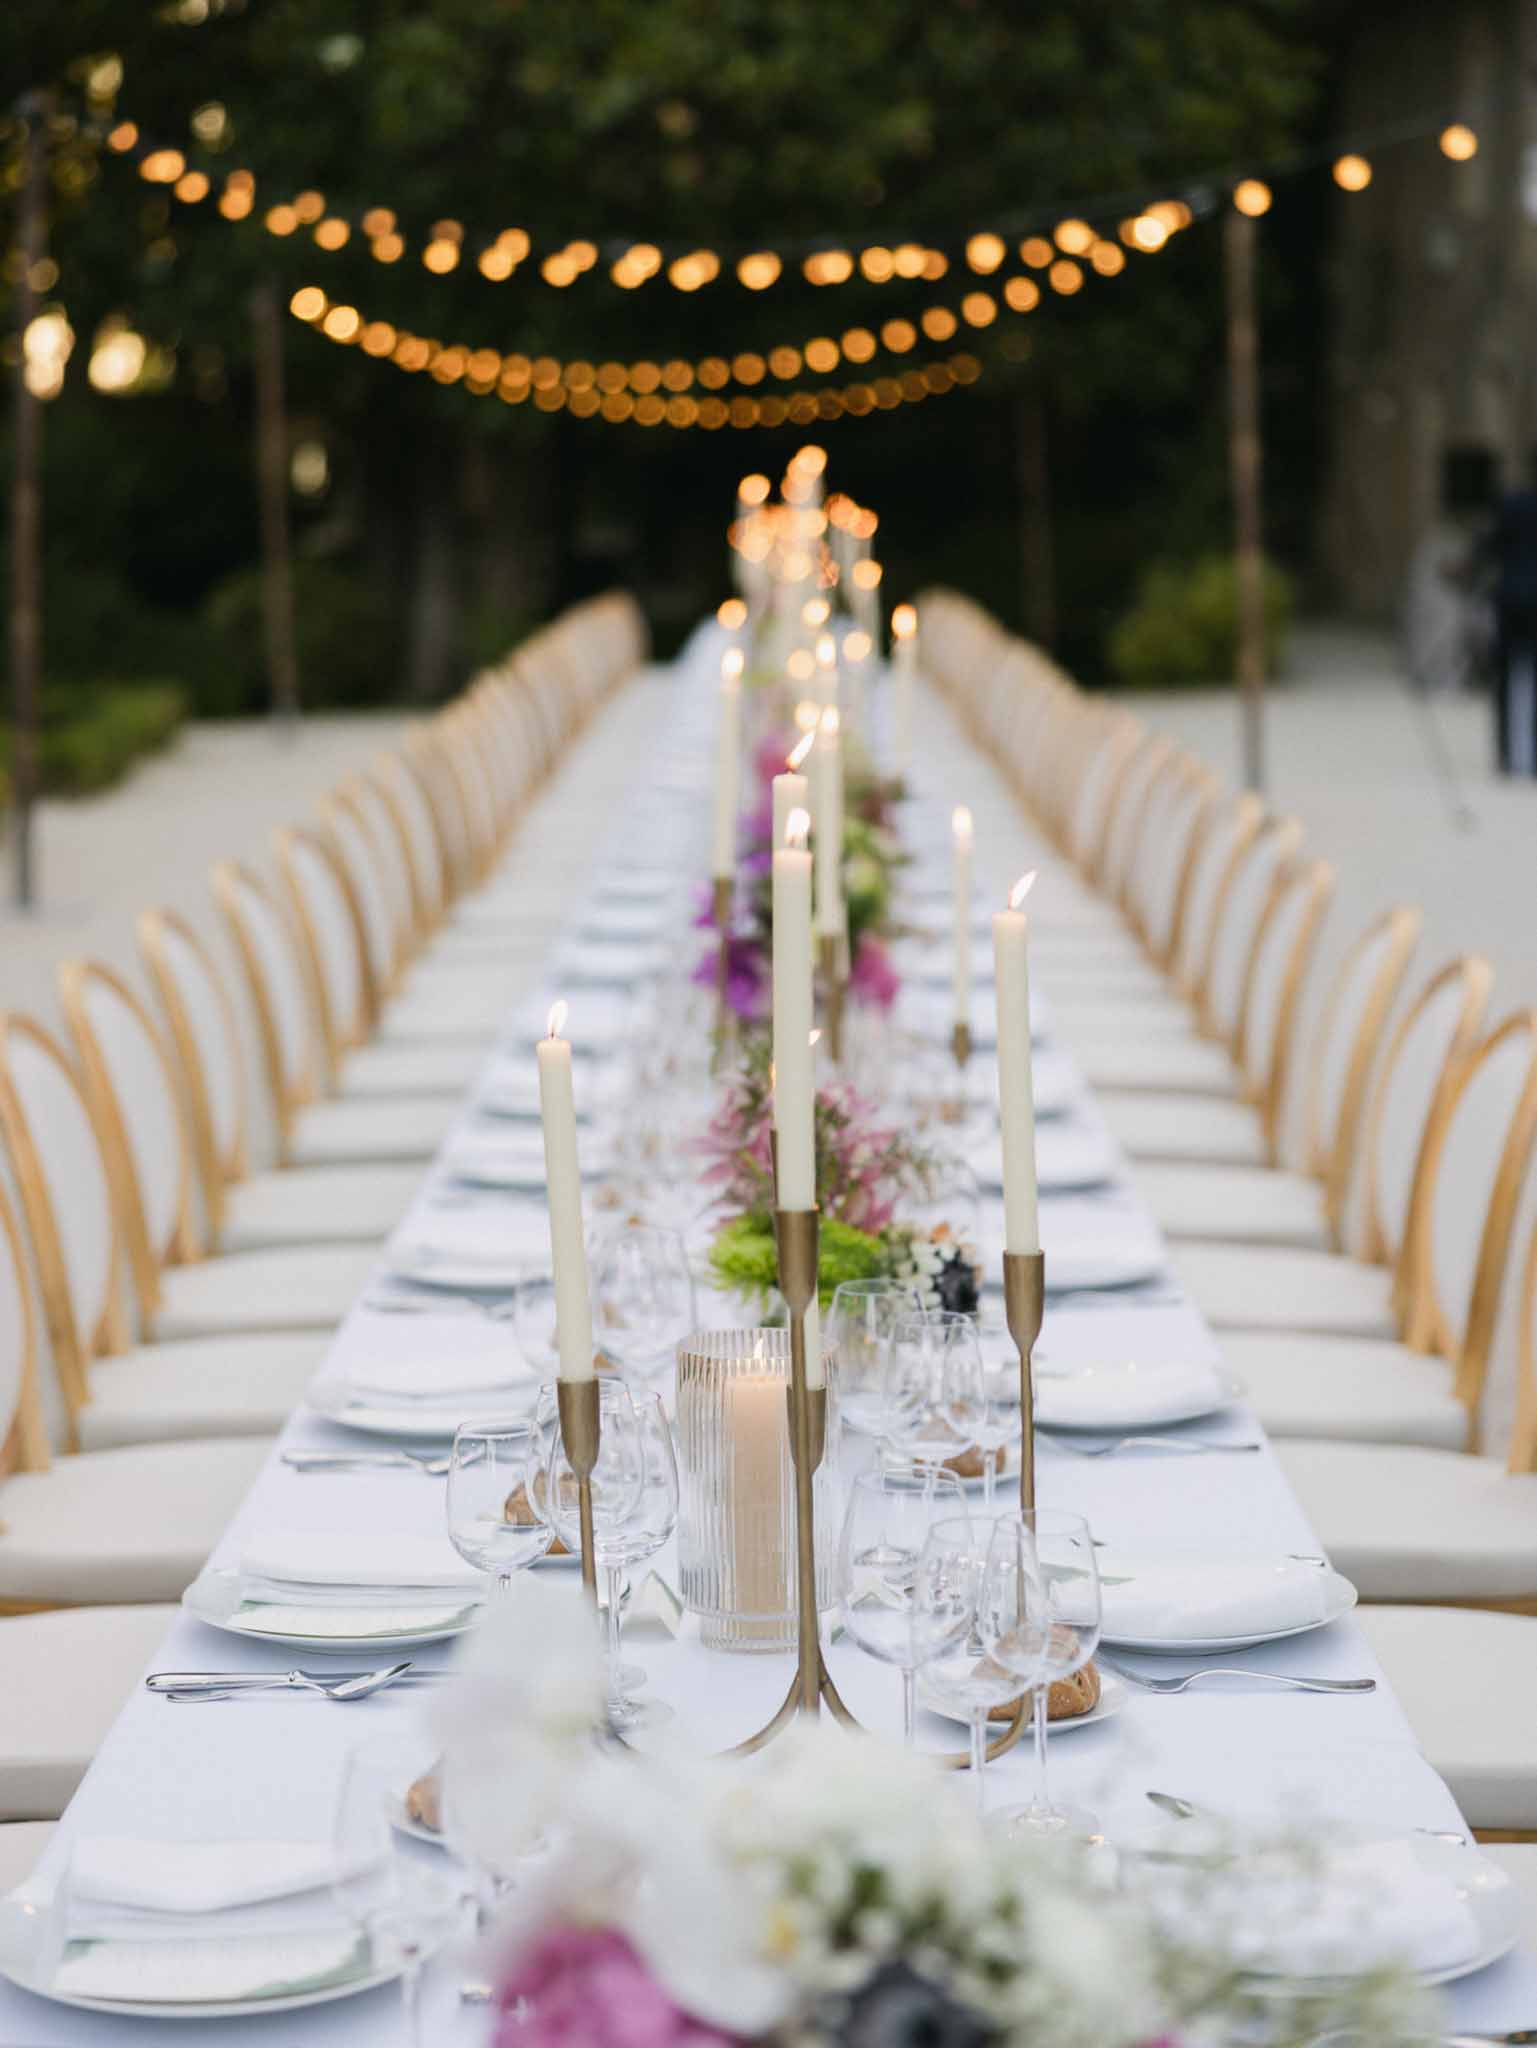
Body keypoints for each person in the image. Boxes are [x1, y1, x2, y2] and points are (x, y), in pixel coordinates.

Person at [1485, 467, 1537, 774]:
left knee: (1506, 679)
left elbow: (1491, 545)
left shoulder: (1512, 503)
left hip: (1512, 600)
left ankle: (1508, 755)